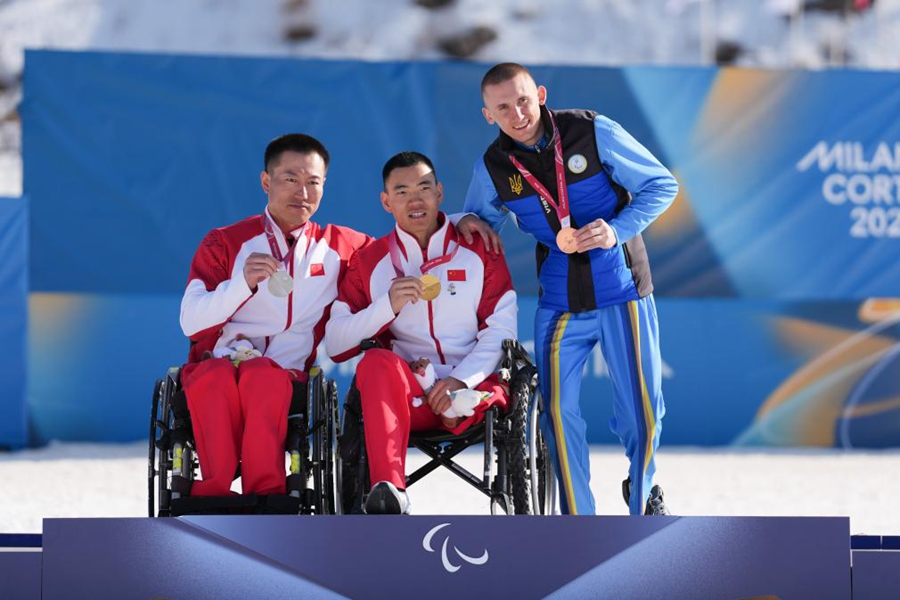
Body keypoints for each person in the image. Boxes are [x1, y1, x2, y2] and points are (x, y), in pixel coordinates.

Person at [458, 63, 678, 516]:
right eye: (503, 107)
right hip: (558, 302)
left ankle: (642, 500)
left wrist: (616, 230)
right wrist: (471, 223)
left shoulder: (591, 131)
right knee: (556, 415)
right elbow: (476, 218)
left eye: (522, 99)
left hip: (622, 289)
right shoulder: (495, 167)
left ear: (539, 93)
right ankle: (579, 524)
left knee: (642, 411)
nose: (517, 113)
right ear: (488, 115)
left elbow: (662, 184)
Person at [179, 133, 370, 497]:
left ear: (324, 185)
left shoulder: (342, 247)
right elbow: (191, 322)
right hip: (218, 364)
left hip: (285, 375)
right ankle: (213, 494)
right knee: (216, 377)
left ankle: (266, 494)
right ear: (266, 181)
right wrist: (241, 284)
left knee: (262, 377)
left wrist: (460, 223)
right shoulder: (225, 242)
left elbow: (402, 250)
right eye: (290, 179)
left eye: (313, 182)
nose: (302, 191)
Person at [325, 151, 517, 514]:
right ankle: (390, 491)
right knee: (376, 362)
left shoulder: (480, 247)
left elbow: (501, 330)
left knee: (485, 373)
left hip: (474, 396)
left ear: (440, 192)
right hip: (408, 399)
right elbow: (335, 344)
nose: (415, 200)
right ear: (386, 202)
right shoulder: (368, 262)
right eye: (401, 191)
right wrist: (387, 306)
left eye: (424, 187)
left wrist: (461, 380)